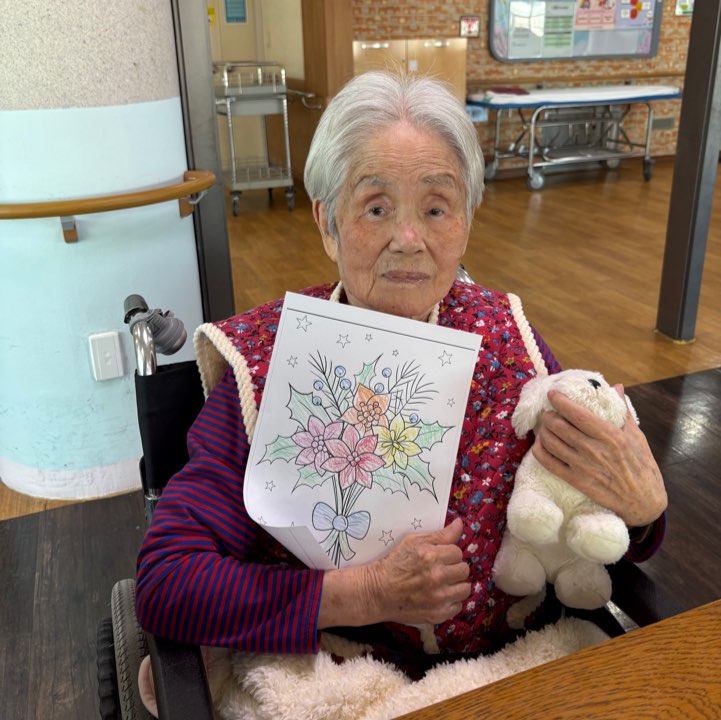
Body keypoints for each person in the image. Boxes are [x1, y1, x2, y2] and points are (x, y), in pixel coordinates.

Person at [135, 71, 667, 684]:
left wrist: (642, 511)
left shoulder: (509, 337)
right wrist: (366, 593)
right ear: (327, 223)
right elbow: (168, 582)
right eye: (376, 208)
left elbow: (594, 511)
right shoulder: (268, 360)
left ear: (465, 220)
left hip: (517, 660)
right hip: (344, 672)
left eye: (436, 208)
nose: (409, 240)